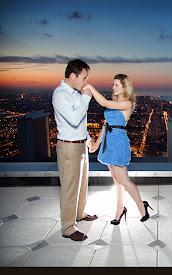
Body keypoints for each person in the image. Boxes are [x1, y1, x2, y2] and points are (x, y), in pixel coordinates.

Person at [83, 74, 152, 224]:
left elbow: (103, 102)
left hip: (118, 142)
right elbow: (106, 125)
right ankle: (120, 210)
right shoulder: (115, 101)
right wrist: (95, 144)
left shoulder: (127, 103)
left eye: (116, 85)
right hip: (109, 141)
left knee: (124, 180)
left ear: (124, 87)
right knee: (116, 180)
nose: (113, 87)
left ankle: (142, 206)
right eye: (113, 84)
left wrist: (90, 87)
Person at [52, 59, 98, 242]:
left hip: (79, 144)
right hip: (68, 147)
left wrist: (87, 139)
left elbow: (80, 124)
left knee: (81, 184)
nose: (85, 82)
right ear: (73, 75)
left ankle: (79, 213)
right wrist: (86, 97)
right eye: (84, 78)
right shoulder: (60, 94)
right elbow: (73, 118)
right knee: (70, 187)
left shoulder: (75, 93)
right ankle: (68, 227)